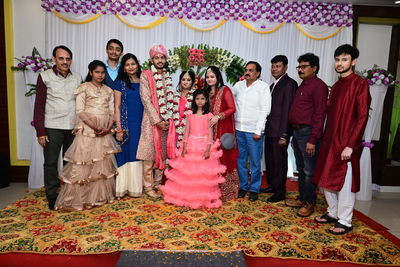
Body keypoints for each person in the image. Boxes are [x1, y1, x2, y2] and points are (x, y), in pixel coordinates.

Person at [313, 44, 371, 234]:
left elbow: (362, 117)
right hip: (330, 139)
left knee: (344, 182)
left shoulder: (360, 84)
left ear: (353, 61)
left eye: (344, 59)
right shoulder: (337, 85)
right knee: (325, 176)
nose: (339, 63)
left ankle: (345, 220)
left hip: (347, 141)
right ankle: (333, 212)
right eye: (337, 59)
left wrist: (351, 145)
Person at [55, 60, 120, 211]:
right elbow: (80, 111)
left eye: (103, 72)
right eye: (97, 72)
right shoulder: (83, 88)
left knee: (101, 164)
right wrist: (95, 126)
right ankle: (79, 198)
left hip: (104, 131)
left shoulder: (108, 90)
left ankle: (97, 197)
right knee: (84, 162)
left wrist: (107, 127)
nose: (100, 75)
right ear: (91, 72)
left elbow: (112, 112)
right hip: (88, 129)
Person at [33, 45, 82, 210]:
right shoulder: (44, 76)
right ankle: (52, 196)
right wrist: (40, 131)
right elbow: (39, 105)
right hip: (52, 126)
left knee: (69, 163)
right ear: (54, 59)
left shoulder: (77, 77)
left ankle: (68, 193)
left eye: (68, 59)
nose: (65, 62)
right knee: (51, 163)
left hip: (72, 127)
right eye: (61, 58)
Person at [161, 89, 226, 209]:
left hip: (203, 145)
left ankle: (201, 196)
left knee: (201, 174)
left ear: (206, 100)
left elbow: (210, 133)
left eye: (202, 99)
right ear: (194, 100)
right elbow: (186, 132)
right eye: (197, 99)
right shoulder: (190, 115)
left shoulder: (209, 115)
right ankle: (186, 196)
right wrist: (184, 146)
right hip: (190, 145)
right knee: (188, 173)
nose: (200, 101)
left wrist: (208, 149)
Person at [286, 53, 328, 217]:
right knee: (301, 169)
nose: (300, 70)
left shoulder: (319, 86)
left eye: (304, 67)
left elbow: (320, 114)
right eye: (299, 66)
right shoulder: (303, 85)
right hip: (297, 133)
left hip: (309, 133)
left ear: (314, 68)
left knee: (310, 170)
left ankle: (310, 202)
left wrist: (312, 139)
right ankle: (302, 198)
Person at [136, 45, 173, 199]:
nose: (159, 60)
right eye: (156, 57)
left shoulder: (167, 76)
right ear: (151, 60)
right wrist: (157, 120)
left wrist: (168, 118)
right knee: (149, 155)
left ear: (165, 59)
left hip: (165, 122)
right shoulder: (146, 75)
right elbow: (145, 99)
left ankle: (158, 183)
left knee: (163, 154)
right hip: (151, 122)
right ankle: (148, 186)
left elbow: (171, 99)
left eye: (162, 57)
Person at [232, 61, 271, 201]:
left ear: (258, 73)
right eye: (246, 70)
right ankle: (243, 186)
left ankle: (254, 188)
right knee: (240, 160)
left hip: (254, 131)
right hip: (239, 129)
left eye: (251, 70)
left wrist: (258, 130)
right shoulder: (239, 85)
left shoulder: (263, 87)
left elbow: (265, 110)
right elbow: (228, 96)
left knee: (255, 162)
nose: (247, 72)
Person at [264, 55, 298, 202]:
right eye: (273, 66)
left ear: (285, 67)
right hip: (270, 130)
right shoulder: (272, 86)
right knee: (270, 160)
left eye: (278, 66)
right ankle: (272, 185)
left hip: (280, 131)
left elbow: (287, 110)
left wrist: (285, 134)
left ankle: (280, 191)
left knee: (279, 161)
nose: (274, 69)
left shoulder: (290, 84)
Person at [205, 66, 239, 202]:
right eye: (207, 77)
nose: (209, 79)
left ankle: (227, 190)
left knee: (225, 158)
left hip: (223, 130)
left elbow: (232, 108)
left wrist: (218, 116)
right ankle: (212, 190)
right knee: (211, 160)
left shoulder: (225, 90)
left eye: (212, 76)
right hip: (209, 132)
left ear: (218, 77)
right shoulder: (206, 93)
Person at [114, 53, 144, 198]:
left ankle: (136, 187)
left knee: (138, 152)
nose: (131, 67)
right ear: (124, 68)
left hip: (141, 123)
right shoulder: (120, 82)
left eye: (133, 63)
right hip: (126, 124)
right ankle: (123, 187)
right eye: (127, 65)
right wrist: (118, 126)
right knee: (126, 152)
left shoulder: (144, 81)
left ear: (137, 64)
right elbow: (117, 106)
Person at [171, 71, 196, 148]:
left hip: (191, 129)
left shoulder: (196, 95)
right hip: (176, 128)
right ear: (180, 81)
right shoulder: (175, 95)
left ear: (192, 82)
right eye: (183, 79)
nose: (185, 82)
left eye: (188, 80)